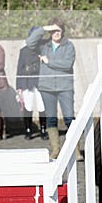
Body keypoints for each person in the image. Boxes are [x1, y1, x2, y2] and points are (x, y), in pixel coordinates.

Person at [26, 18, 77, 160]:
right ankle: (56, 149)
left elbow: (67, 64)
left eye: (59, 30)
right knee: (51, 119)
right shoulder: (43, 45)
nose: (56, 33)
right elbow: (29, 42)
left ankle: (76, 150)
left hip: (65, 87)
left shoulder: (69, 46)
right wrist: (44, 28)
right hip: (47, 88)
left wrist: (49, 61)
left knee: (69, 118)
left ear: (63, 31)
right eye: (53, 30)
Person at [16, 28, 47, 140]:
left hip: (40, 83)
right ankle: (28, 129)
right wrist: (19, 87)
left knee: (42, 106)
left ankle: (43, 129)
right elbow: (20, 69)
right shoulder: (24, 51)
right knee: (28, 107)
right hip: (27, 83)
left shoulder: (43, 49)